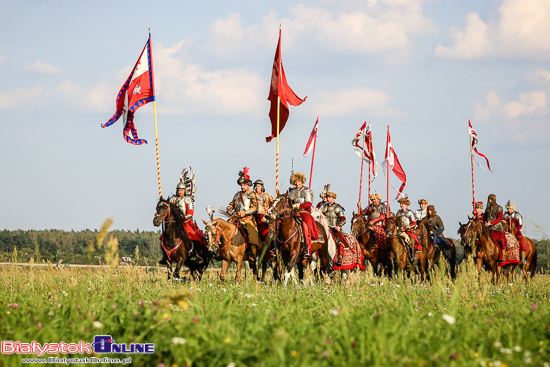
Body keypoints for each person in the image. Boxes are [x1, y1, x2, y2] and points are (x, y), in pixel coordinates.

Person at [165, 176, 208, 263]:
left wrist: (183, 217)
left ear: (185, 191)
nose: (180, 192)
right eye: (178, 190)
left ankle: (196, 254)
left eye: (181, 190)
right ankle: (165, 254)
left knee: (193, 235)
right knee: (164, 236)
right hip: (174, 222)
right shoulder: (173, 199)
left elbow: (190, 213)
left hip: (185, 222)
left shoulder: (188, 199)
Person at [227, 167, 263, 248]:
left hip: (248, 219)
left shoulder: (253, 194)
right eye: (241, 185)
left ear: (248, 185)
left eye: (244, 185)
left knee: (251, 234)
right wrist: (229, 207)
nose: (242, 187)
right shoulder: (237, 194)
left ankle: (251, 251)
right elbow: (232, 203)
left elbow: (254, 208)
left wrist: (244, 213)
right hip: (236, 218)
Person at [287, 172, 318, 258]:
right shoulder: (292, 191)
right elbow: (289, 202)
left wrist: (298, 205)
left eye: (299, 181)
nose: (297, 183)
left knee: (305, 227)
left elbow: (308, 204)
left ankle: (307, 248)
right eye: (295, 181)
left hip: (303, 213)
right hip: (293, 212)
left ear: (302, 181)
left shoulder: (307, 191)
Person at [320, 191, 346, 266]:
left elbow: (343, 219)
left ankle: (340, 257)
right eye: (327, 197)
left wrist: (339, 226)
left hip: (335, 228)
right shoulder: (323, 207)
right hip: (325, 228)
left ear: (333, 198)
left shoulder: (338, 208)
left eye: (330, 198)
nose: (328, 199)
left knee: (340, 240)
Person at [396, 197, 422, 261]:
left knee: (411, 240)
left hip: (408, 231)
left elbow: (413, 223)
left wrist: (405, 228)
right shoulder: (398, 212)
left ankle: (412, 256)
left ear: (406, 205)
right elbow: (396, 222)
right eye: (401, 204)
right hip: (399, 231)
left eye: (403, 204)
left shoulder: (410, 212)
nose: (401, 205)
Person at [483, 194, 507, 262]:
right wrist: (485, 224)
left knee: (502, 241)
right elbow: (485, 218)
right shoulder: (487, 209)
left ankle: (503, 255)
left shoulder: (499, 208)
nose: (489, 201)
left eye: (490, 199)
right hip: (488, 229)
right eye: (489, 199)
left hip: (497, 229)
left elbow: (499, 219)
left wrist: (491, 223)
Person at [504, 200, 527, 265]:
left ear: (513, 209)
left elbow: (520, 225)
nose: (509, 210)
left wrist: (514, 231)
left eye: (510, 208)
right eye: (508, 208)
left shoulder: (517, 216)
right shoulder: (505, 215)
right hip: (507, 232)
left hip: (516, 232)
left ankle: (522, 258)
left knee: (521, 241)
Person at [253, 179, 273, 245]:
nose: (257, 188)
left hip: (267, 217)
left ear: (262, 187)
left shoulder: (267, 195)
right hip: (256, 217)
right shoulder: (252, 196)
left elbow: (273, 204)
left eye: (258, 186)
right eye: (256, 186)